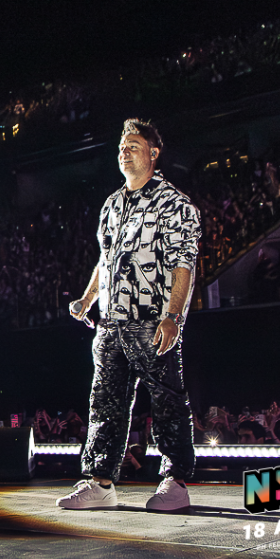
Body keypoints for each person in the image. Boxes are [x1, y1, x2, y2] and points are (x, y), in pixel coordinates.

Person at [58, 118, 201, 512]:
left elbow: (184, 264)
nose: (124, 151)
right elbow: (106, 260)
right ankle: (100, 483)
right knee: (104, 402)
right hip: (111, 324)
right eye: (122, 146)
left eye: (133, 145)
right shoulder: (112, 204)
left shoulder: (174, 203)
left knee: (167, 400)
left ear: (153, 153)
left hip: (152, 321)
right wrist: (87, 299)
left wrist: (173, 316)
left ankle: (175, 481)